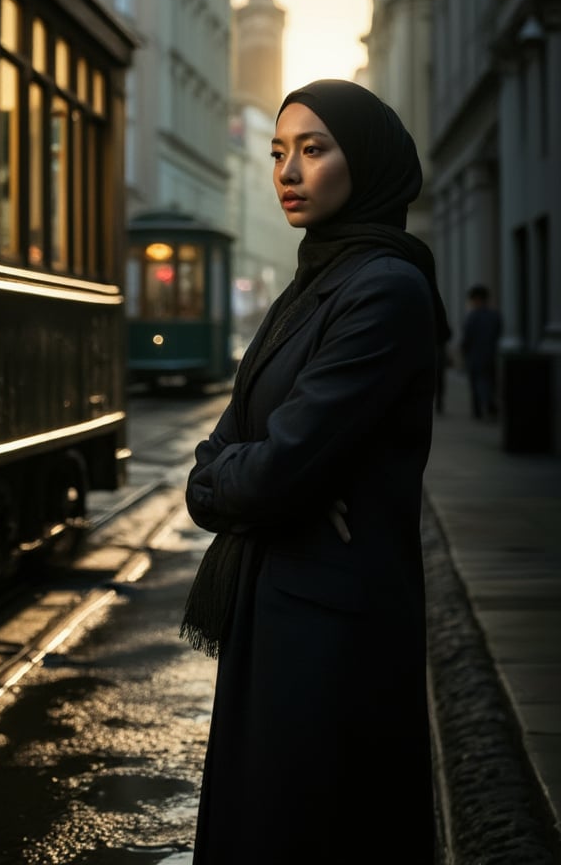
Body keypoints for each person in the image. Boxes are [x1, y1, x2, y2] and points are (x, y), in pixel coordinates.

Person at [180, 79, 449, 863]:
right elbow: (229, 451)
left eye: (313, 149)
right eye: (278, 153)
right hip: (276, 598)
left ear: (362, 161)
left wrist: (246, 480)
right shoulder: (308, 289)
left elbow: (271, 470)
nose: (288, 172)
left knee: (314, 827)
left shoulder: (386, 290)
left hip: (334, 625)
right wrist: (237, 477)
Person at [460, 284, 502, 419]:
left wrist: (464, 351)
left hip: (475, 356)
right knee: (489, 382)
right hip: (490, 355)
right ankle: (489, 403)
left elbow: (467, 338)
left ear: (476, 299)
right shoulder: (495, 316)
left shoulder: (472, 317)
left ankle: (479, 409)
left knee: (476, 384)